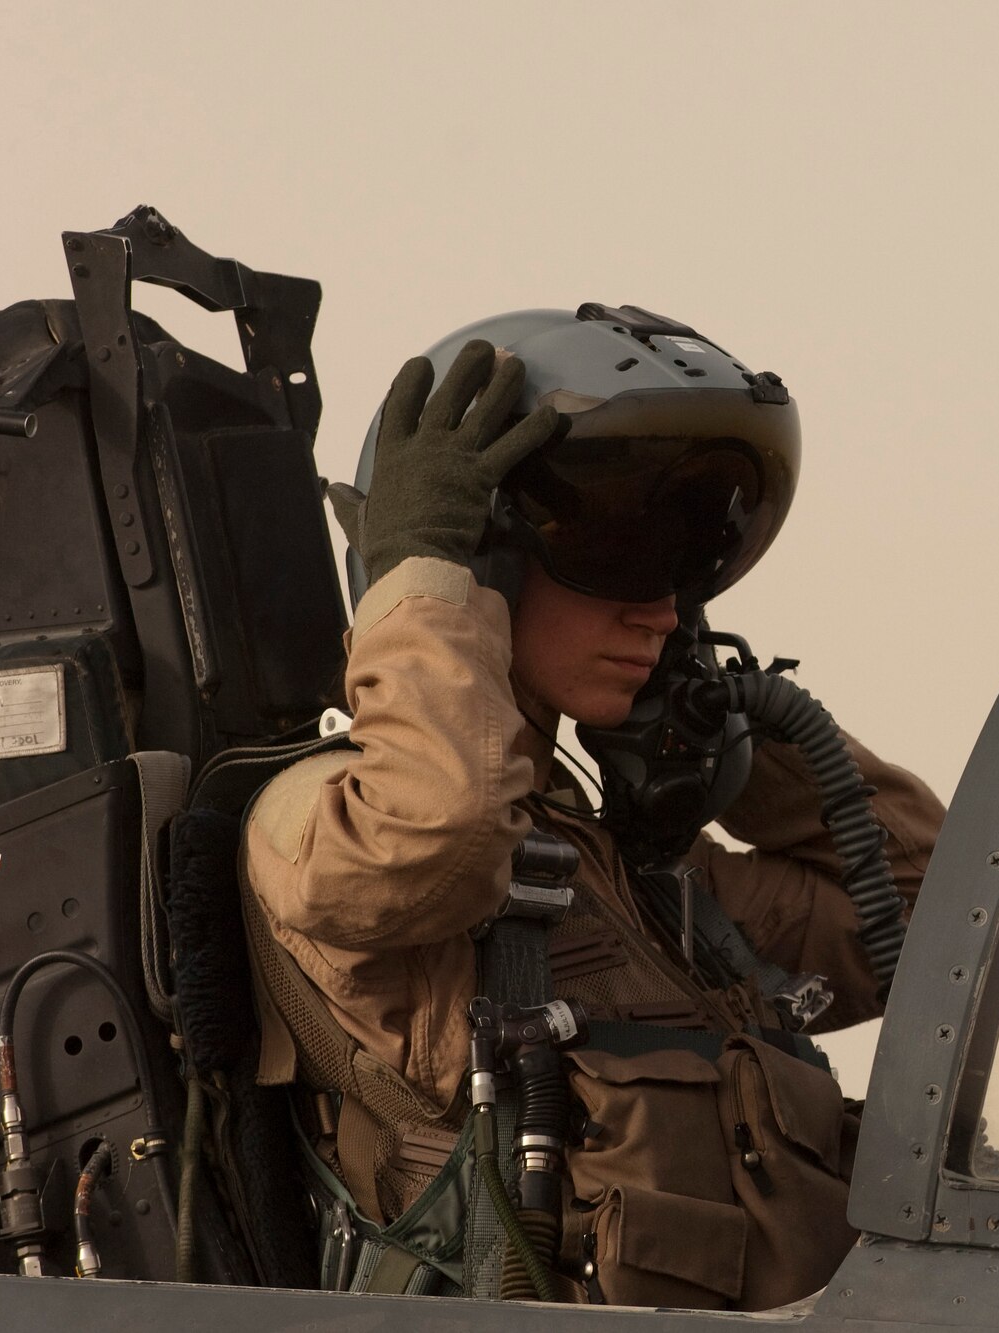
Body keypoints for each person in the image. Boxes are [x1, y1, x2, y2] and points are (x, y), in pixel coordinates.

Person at [237, 317, 944, 1309]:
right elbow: (439, 832)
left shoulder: (639, 876)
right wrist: (426, 589)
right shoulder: (317, 820)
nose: (660, 612)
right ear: (484, 570)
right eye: (617, 555)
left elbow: (928, 920)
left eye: (682, 575)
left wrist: (721, 731)